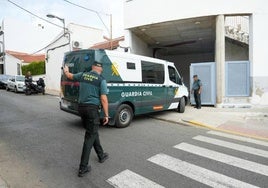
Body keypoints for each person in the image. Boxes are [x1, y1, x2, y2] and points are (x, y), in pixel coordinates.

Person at [63, 61, 109, 177]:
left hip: (81, 108)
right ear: (100, 69)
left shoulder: (83, 75)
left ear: (92, 68)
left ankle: (101, 155)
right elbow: (103, 99)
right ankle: (83, 168)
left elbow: (69, 76)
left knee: (92, 132)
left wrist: (66, 70)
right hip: (92, 110)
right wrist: (107, 115)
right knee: (89, 136)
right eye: (101, 68)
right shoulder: (101, 80)